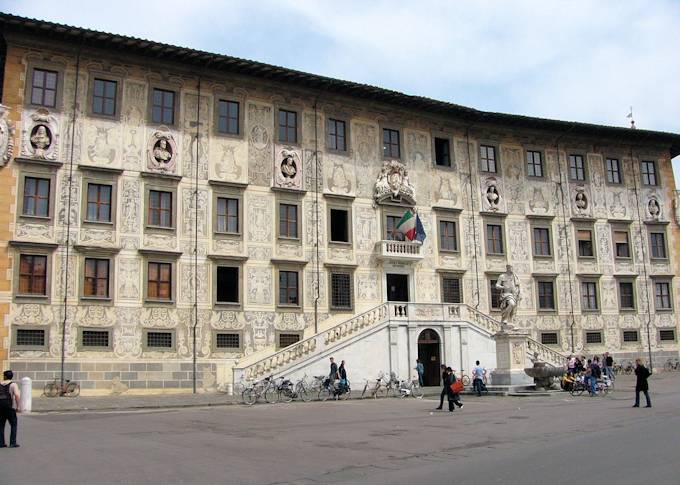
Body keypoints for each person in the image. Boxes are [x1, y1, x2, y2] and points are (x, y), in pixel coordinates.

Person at [0, 370, 21, 448]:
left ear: (4, 376)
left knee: (1, 425)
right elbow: (17, 395)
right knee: (13, 424)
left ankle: (1, 443)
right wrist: (18, 406)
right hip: (9, 407)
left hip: (0, 407)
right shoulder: (13, 384)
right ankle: (12, 443)